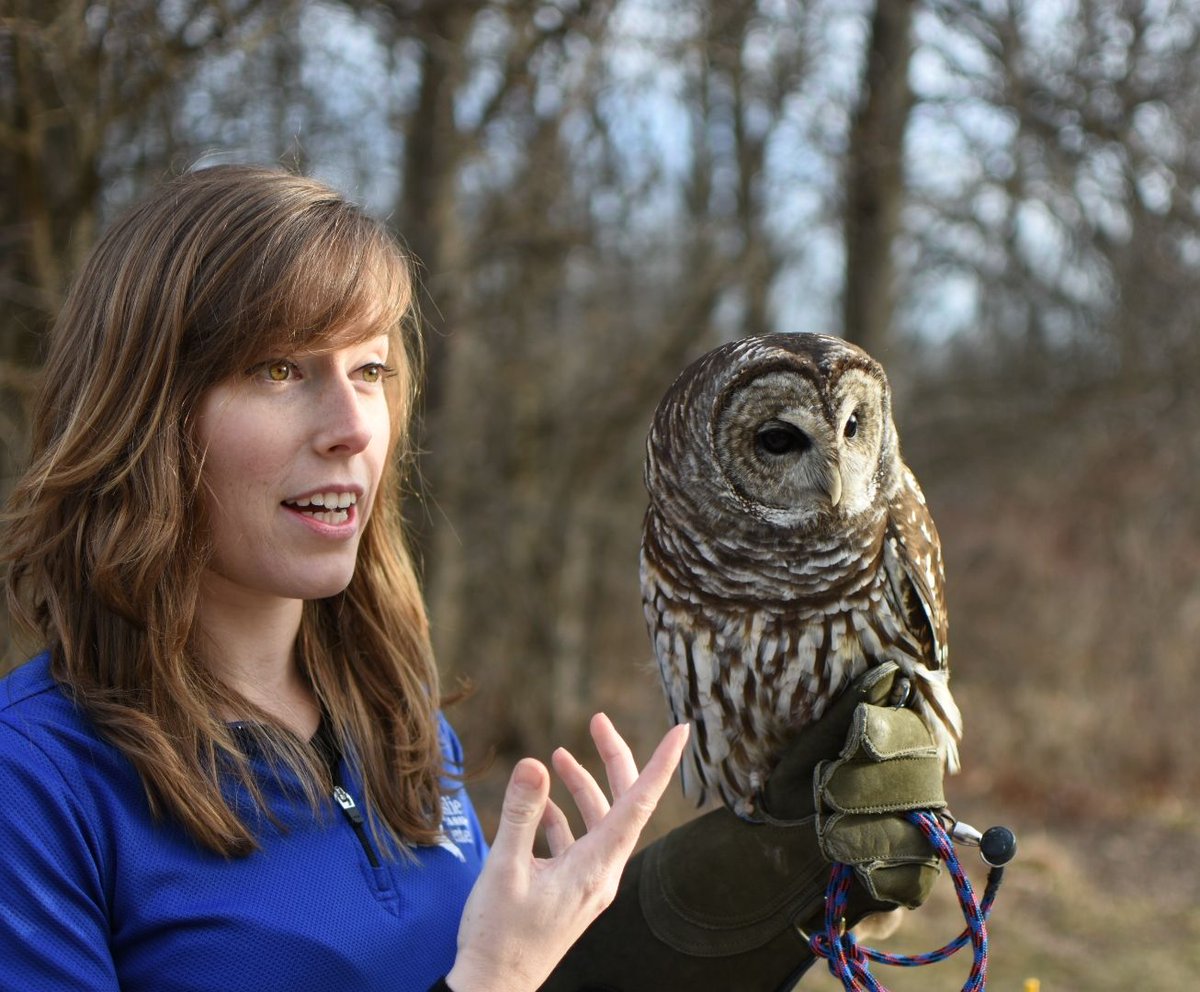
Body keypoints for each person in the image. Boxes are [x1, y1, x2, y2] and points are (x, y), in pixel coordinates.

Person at [0, 166, 946, 992]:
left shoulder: (396, 715)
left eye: (369, 368)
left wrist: (704, 909)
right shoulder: (36, 784)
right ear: (142, 414)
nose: (350, 426)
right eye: (280, 369)